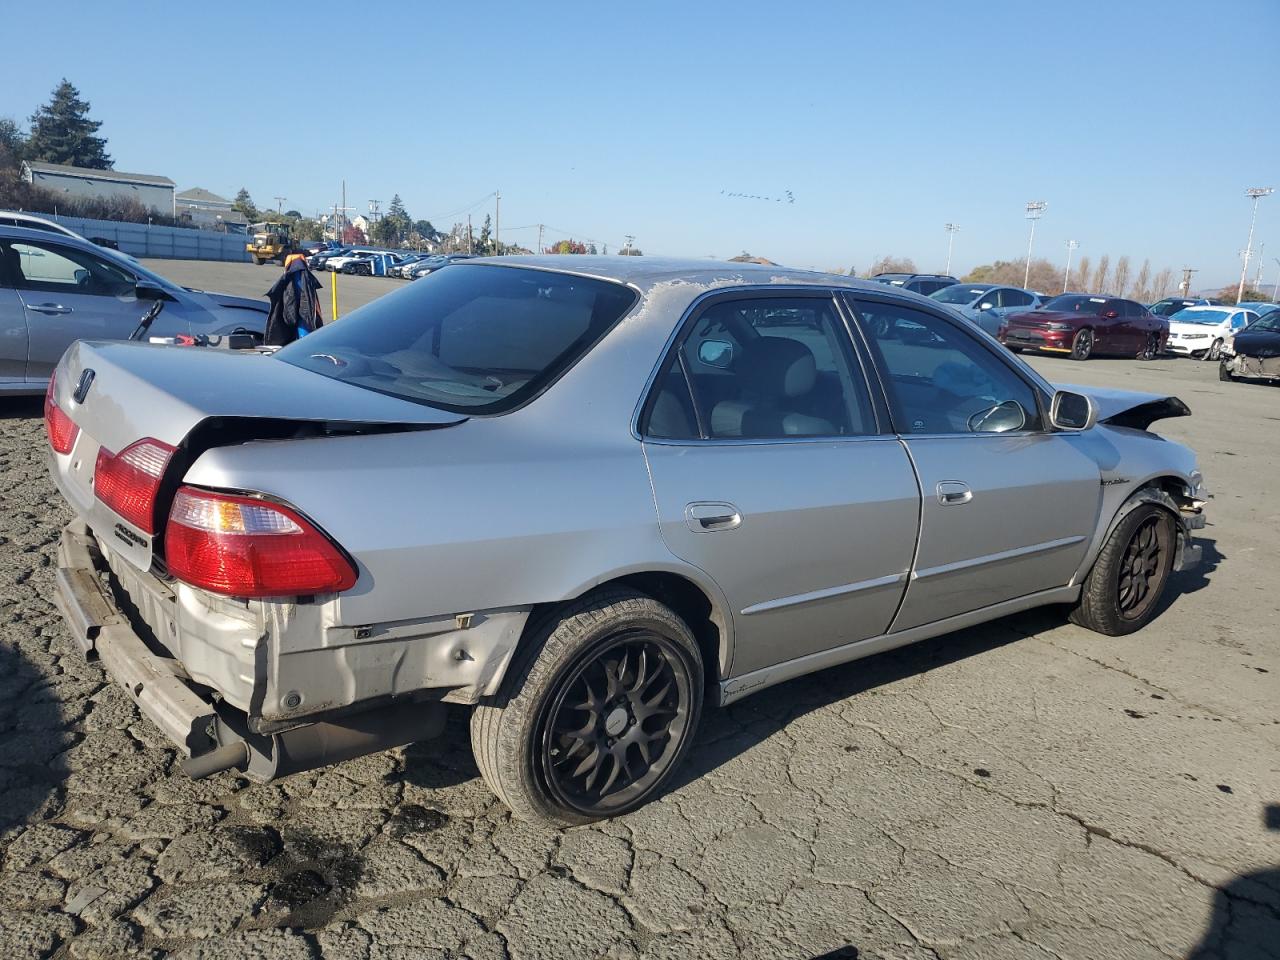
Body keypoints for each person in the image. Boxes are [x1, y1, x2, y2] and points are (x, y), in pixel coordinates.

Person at [264, 254, 324, 346]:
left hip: (301, 316)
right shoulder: (303, 274)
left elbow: (296, 297)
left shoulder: (295, 274)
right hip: (303, 315)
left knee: (303, 337)